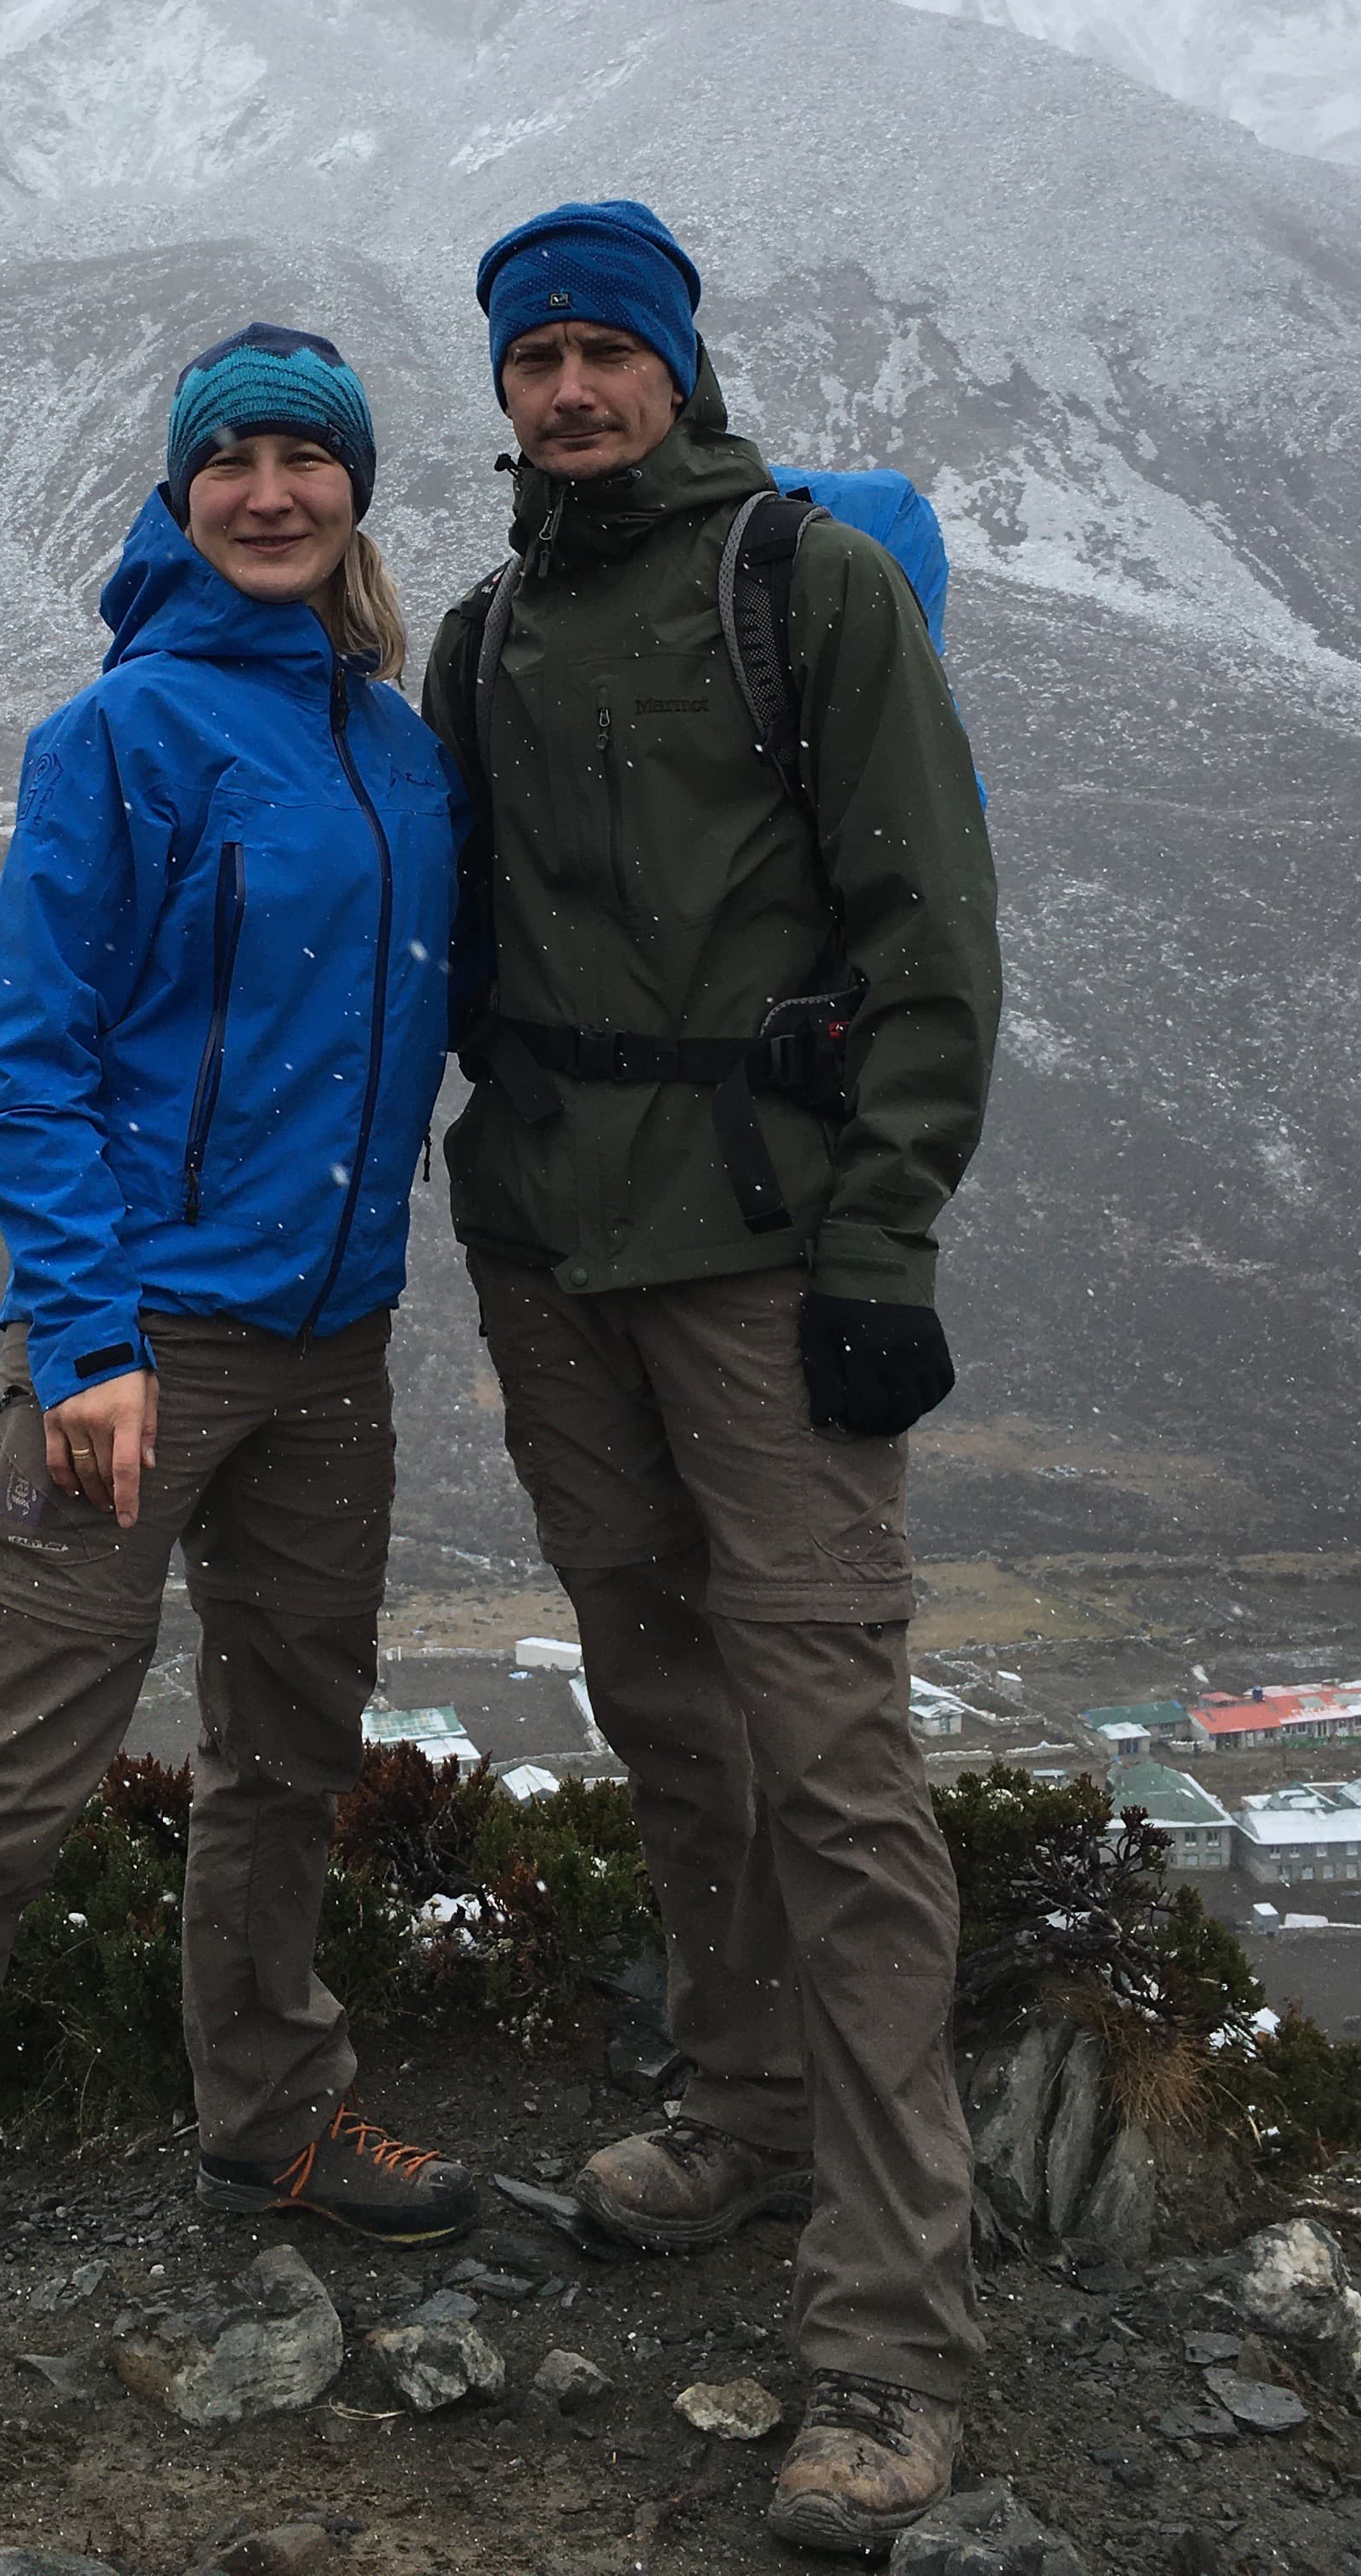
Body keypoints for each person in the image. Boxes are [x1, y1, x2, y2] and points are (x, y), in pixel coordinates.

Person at [0, 323, 478, 2546]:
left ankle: (273, 2118)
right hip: (146, 1360)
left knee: (286, 1749)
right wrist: (86, 1337)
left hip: (334, 1352)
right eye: (225, 461)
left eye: (301, 461)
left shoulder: (392, 748)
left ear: (352, 492)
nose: (264, 493)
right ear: (179, 493)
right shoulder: (121, 736)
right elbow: (27, 1060)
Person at [421, 202, 1002, 2556]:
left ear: (676, 367)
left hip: (765, 1273)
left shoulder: (805, 586)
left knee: (836, 1760)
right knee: (664, 1712)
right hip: (556, 1255)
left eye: (603, 355)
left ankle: (892, 2325)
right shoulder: (487, 633)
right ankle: (745, 2108)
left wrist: (885, 1236)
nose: (569, 392)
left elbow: (928, 934)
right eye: (535, 359)